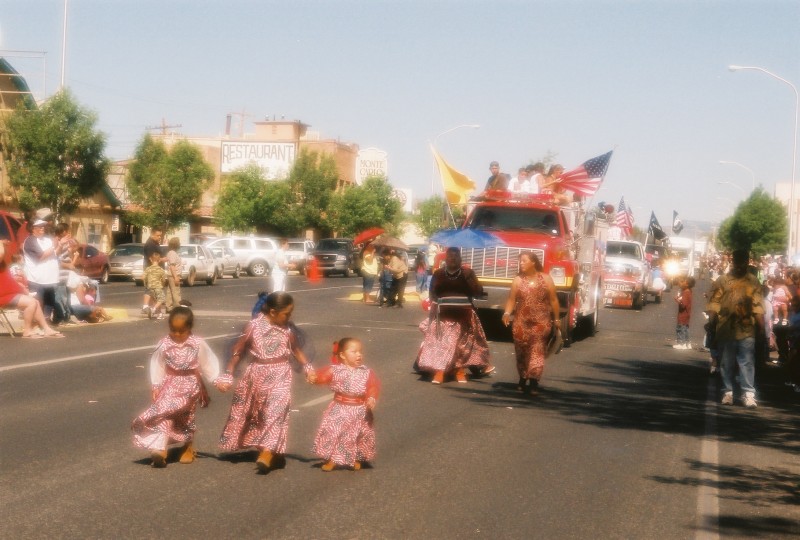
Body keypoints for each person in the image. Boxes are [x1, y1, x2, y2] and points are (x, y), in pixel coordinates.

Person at [218, 292, 314, 473]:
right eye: (286, 313)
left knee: (275, 412)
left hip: (281, 375)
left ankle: (268, 453)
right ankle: (273, 454)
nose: (289, 317)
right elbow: (238, 350)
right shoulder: (254, 327)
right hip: (257, 376)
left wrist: (308, 368)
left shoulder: (287, 330)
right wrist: (228, 374)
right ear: (272, 312)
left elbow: (296, 350)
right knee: (259, 414)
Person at [131, 306, 228, 467]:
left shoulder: (197, 343)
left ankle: (188, 447)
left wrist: (217, 380)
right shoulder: (164, 343)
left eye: (181, 331)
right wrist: (156, 385)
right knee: (164, 414)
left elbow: (207, 363)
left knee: (185, 417)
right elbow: (158, 364)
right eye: (173, 330)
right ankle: (159, 449)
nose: (176, 335)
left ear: (189, 328)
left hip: (190, 386)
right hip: (169, 384)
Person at [416, 247, 495, 384]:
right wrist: (434, 311)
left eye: (456, 256)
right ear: (445, 259)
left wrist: (469, 279)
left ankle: (460, 371)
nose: (452, 259)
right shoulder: (439, 274)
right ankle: (439, 372)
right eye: (450, 256)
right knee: (442, 345)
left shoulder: (468, 273)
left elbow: (477, 292)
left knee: (462, 346)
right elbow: (433, 293)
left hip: (464, 316)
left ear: (460, 259)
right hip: (444, 316)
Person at [309, 337, 379, 472]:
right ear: (342, 355)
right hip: (339, 407)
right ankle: (331, 459)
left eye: (360, 352)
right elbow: (323, 377)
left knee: (358, 435)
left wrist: (371, 398)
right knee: (332, 432)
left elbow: (373, 386)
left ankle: (355, 458)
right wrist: (315, 378)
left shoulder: (366, 371)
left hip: (359, 409)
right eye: (354, 352)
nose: (359, 355)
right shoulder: (335, 370)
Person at [706, 248, 763, 408]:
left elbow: (758, 305)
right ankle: (727, 392)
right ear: (733, 261)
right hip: (726, 328)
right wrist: (711, 322)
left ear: (747, 262)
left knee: (747, 362)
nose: (740, 265)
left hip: (746, 329)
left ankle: (748, 394)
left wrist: (761, 326)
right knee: (726, 362)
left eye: (743, 262)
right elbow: (714, 303)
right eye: (737, 261)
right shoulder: (722, 281)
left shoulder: (753, 281)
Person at [502, 252, 560, 393]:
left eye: (524, 261)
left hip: (541, 322)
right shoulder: (517, 280)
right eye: (520, 261)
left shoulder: (546, 279)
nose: (521, 263)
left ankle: (533, 380)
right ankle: (522, 377)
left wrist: (557, 318)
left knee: (537, 350)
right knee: (521, 350)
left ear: (533, 262)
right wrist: (507, 313)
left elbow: (553, 300)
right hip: (521, 322)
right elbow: (511, 299)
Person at [0, 240, 64, 338]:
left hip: (7, 294)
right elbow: (1, 253)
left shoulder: (3, 264)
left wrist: (25, 291)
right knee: (30, 303)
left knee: (35, 302)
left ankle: (46, 329)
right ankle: (27, 330)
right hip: (2, 296)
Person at [23, 219, 62, 323]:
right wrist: (53, 246)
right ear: (33, 229)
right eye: (39, 226)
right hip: (37, 279)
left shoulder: (47, 240)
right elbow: (40, 257)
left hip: (50, 277)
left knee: (50, 300)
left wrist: (60, 245)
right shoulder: (30, 241)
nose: (42, 228)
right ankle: (36, 323)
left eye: (43, 226)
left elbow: (54, 254)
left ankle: (46, 321)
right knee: (38, 302)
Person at [142, 227, 164, 316]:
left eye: (160, 236)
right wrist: (163, 259)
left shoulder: (154, 243)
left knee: (152, 291)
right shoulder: (150, 244)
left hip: (152, 271)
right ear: (152, 234)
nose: (159, 237)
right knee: (151, 290)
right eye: (158, 235)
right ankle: (147, 307)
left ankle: (154, 309)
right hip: (152, 271)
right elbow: (152, 258)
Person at [143, 251, 167, 320]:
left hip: (150, 287)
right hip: (158, 287)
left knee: (156, 301)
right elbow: (163, 280)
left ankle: (159, 314)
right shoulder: (161, 270)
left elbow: (143, 277)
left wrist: (146, 284)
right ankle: (153, 309)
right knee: (161, 299)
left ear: (150, 259)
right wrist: (162, 285)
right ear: (159, 260)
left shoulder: (148, 269)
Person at [673, 276, 695, 349]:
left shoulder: (686, 292)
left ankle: (681, 343)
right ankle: (687, 343)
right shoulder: (689, 291)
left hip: (683, 314)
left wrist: (677, 300)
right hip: (687, 314)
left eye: (683, 282)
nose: (681, 283)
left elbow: (683, 305)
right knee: (685, 329)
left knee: (680, 328)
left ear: (687, 284)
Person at [164, 237, 183, 313]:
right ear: (176, 244)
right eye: (179, 242)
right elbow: (172, 266)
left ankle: (169, 307)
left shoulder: (172, 252)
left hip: (171, 275)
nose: (180, 244)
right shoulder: (172, 253)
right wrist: (176, 277)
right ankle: (178, 307)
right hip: (173, 275)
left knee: (170, 291)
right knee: (176, 292)